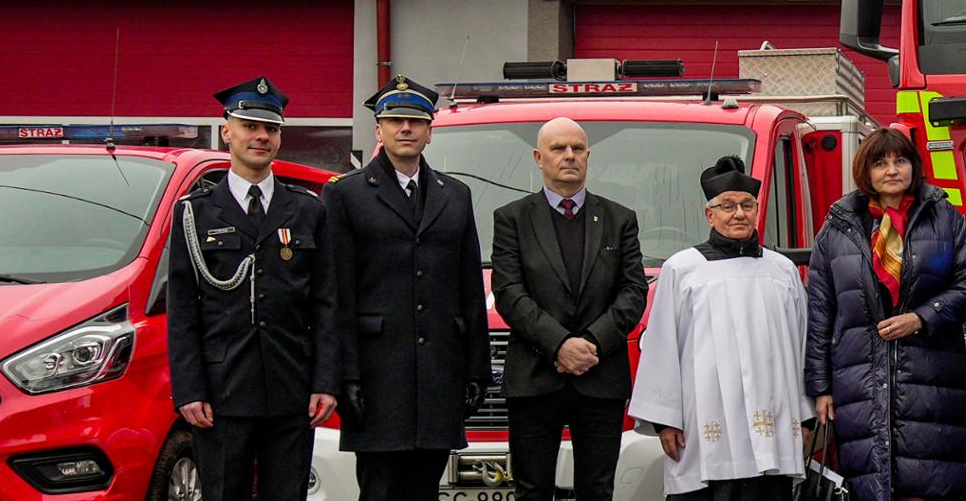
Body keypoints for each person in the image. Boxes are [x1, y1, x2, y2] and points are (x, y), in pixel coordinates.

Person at [166, 77, 338, 501]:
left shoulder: (307, 210)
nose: (261, 137)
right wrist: (189, 389)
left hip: (291, 387)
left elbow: (326, 305)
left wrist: (325, 381)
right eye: (250, 126)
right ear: (227, 132)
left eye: (271, 129)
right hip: (222, 391)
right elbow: (183, 310)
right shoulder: (195, 213)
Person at [326, 75, 491, 501]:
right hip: (377, 377)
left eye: (416, 121)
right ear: (378, 130)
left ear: (430, 132)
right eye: (395, 120)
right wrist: (345, 375)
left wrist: (477, 369)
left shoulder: (455, 195)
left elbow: (470, 290)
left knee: (425, 489)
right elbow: (337, 294)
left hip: (438, 377)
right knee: (380, 489)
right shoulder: (346, 195)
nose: (405, 129)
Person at [805, 128, 966, 501]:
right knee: (870, 484)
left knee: (930, 484)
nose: (891, 170)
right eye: (880, 163)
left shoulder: (946, 217)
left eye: (900, 161)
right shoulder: (837, 226)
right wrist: (820, 387)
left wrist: (922, 317)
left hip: (931, 378)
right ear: (864, 170)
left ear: (913, 166)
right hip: (859, 381)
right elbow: (820, 310)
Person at [629, 156, 812, 500]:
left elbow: (802, 345)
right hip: (703, 418)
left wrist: (805, 417)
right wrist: (666, 420)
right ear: (709, 214)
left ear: (756, 210)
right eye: (727, 206)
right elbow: (661, 347)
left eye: (746, 205)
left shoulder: (782, 271)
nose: (738, 214)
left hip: (773, 417)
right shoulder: (682, 269)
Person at [490, 117, 649, 501]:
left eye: (577, 149)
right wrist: (559, 345)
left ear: (588, 156)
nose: (569, 156)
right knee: (532, 490)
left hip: (601, 377)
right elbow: (509, 292)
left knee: (598, 490)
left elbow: (633, 291)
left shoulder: (619, 219)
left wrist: (591, 343)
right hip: (534, 378)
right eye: (558, 148)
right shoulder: (512, 218)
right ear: (538, 157)